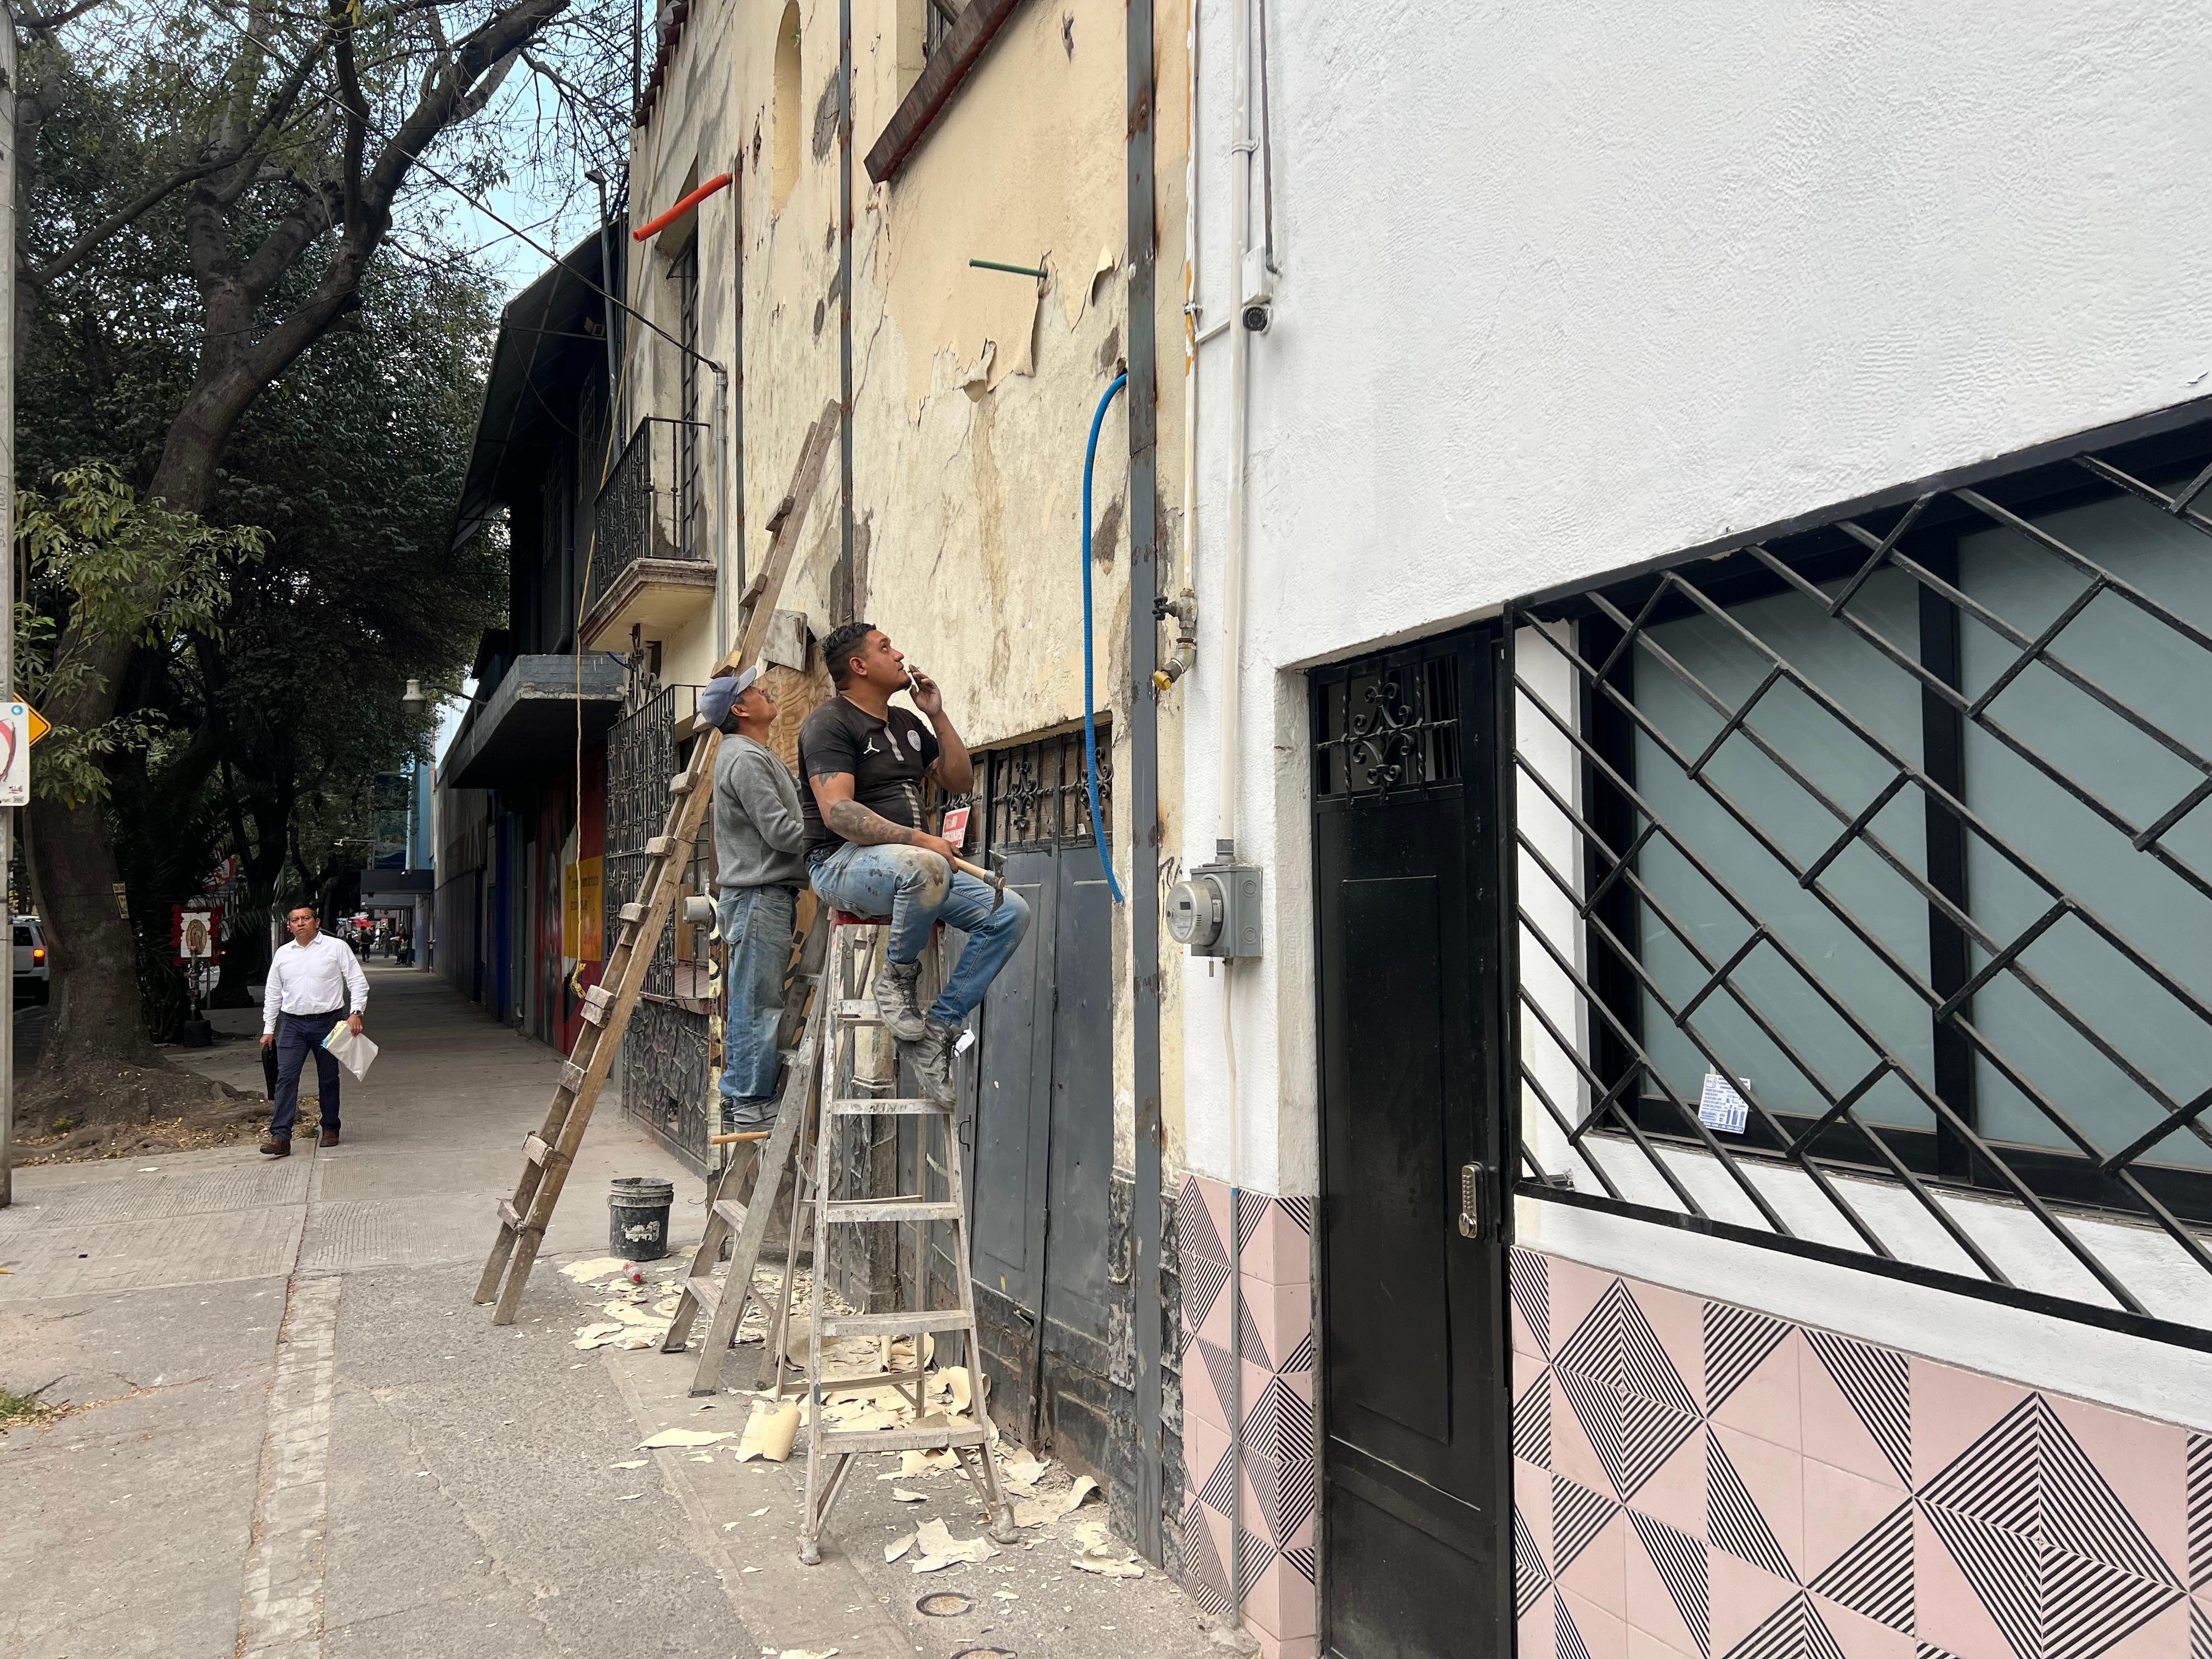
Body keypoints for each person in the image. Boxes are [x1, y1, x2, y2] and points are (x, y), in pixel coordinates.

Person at [798, 621, 1030, 1104]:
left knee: (1010, 912)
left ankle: (939, 1031)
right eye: (885, 648)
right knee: (926, 866)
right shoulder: (829, 723)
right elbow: (838, 812)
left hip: (913, 870)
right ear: (859, 666)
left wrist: (937, 715)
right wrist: (922, 841)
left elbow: (959, 781)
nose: (899, 654)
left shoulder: (906, 723)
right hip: (840, 864)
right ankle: (896, 981)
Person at [700, 665, 808, 1131]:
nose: (765, 691)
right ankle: (747, 1101)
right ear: (741, 710)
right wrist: (837, 835)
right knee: (756, 1003)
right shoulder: (744, 757)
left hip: (761, 897)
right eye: (755, 690)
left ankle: (747, 1097)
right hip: (759, 897)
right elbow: (782, 832)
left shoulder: (753, 753)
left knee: (756, 999)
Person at [259, 902, 370, 1155]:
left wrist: (356, 1012)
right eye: (295, 920)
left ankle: (330, 1128)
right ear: (290, 926)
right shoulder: (283, 954)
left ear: (316, 922)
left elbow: (357, 982)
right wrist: (269, 1029)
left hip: (328, 1023)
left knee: (329, 1077)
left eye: (305, 918)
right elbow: (273, 992)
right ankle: (281, 1137)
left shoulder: (336, 948)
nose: (300, 923)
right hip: (293, 1025)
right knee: (285, 1078)